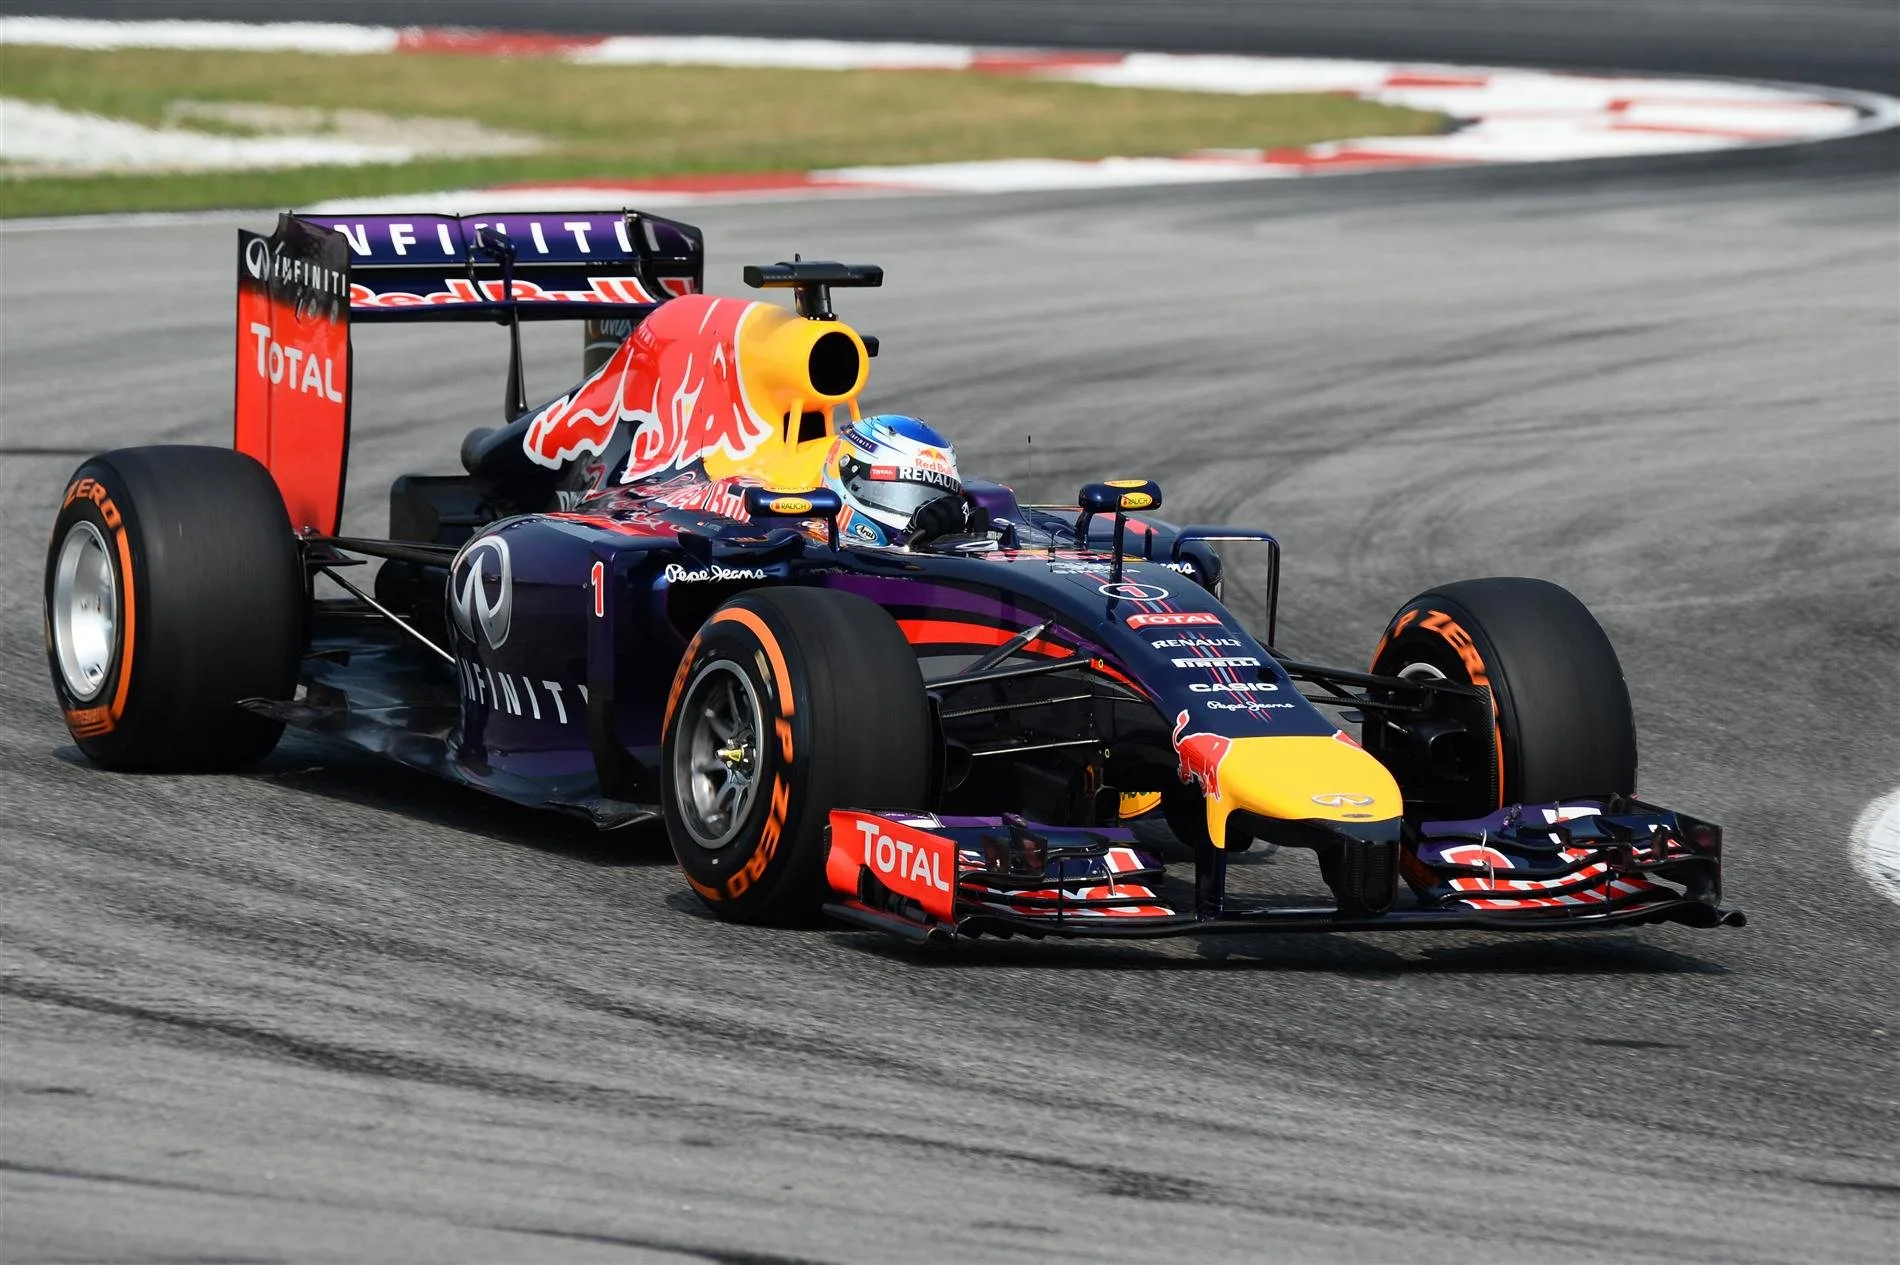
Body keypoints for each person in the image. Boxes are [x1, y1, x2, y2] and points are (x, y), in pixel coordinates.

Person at [821, 414, 987, 546]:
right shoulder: (807, 538)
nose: (920, 515)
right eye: (888, 493)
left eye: (928, 497)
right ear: (851, 478)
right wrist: (903, 543)